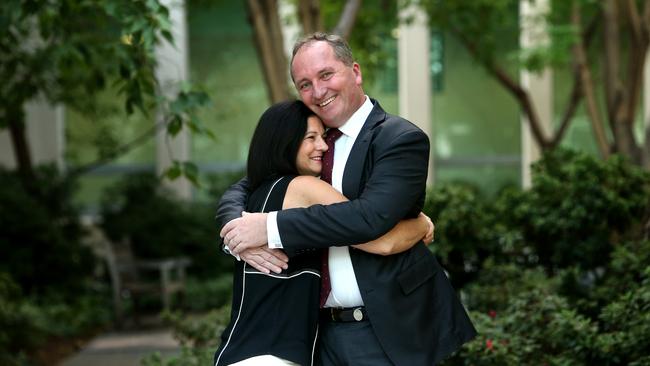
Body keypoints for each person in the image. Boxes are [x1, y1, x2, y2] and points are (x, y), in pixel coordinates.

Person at [218, 33, 476, 365]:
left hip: (384, 329)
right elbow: (251, 185)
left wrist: (270, 226)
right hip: (313, 334)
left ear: (355, 72)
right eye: (305, 84)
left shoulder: (399, 139)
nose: (318, 91)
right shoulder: (309, 138)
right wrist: (237, 233)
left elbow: (368, 219)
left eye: (326, 75)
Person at [214, 100, 431, 366]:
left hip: (242, 351)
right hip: (273, 356)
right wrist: (422, 225)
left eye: (324, 136)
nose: (324, 146)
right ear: (286, 143)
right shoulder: (303, 188)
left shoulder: (258, 193)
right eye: (310, 138)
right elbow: (379, 240)